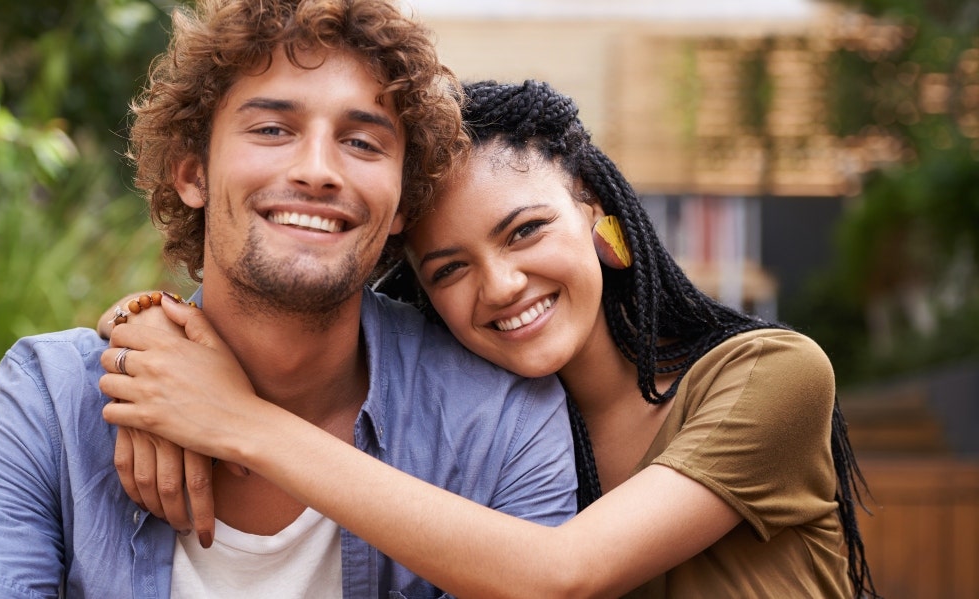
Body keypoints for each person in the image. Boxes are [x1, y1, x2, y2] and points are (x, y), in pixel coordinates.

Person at [100, 80, 878, 598]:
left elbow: (563, 572)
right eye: (449, 269)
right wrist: (147, 337)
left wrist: (237, 419)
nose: (501, 285)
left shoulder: (770, 375)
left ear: (598, 218)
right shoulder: (494, 437)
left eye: (527, 230)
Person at [0, 3, 581, 598]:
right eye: (271, 129)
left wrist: (234, 420)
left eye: (361, 141)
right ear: (193, 172)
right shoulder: (55, 402)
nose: (318, 168)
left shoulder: (498, 418)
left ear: (403, 201)